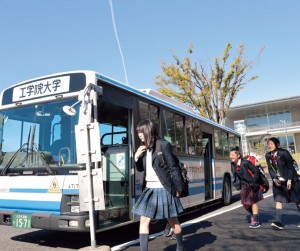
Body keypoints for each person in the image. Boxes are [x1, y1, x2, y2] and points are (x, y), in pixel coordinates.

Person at [132, 119, 185, 251]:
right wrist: (136, 157)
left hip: (164, 188)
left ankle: (180, 247)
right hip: (149, 189)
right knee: (144, 221)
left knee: (172, 221)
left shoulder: (163, 145)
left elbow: (173, 168)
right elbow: (140, 169)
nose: (139, 134)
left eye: (141, 132)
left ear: (148, 131)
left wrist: (179, 188)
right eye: (138, 132)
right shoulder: (143, 149)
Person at [265, 137, 300, 230]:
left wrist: (289, 180)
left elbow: (290, 166)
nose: (269, 146)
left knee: (297, 200)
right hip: (278, 181)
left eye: (271, 144)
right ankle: (279, 222)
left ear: (277, 145)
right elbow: (270, 168)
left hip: (292, 179)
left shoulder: (284, 153)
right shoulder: (268, 155)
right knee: (278, 200)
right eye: (268, 144)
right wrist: (273, 179)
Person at [230, 147, 264, 228]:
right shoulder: (233, 164)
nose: (231, 157)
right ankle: (253, 215)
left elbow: (256, 171)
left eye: (232, 155)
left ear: (238, 155)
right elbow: (235, 175)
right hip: (244, 185)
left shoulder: (245, 162)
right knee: (245, 204)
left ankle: (255, 222)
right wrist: (237, 185)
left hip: (252, 184)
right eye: (230, 155)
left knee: (253, 202)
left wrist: (255, 182)